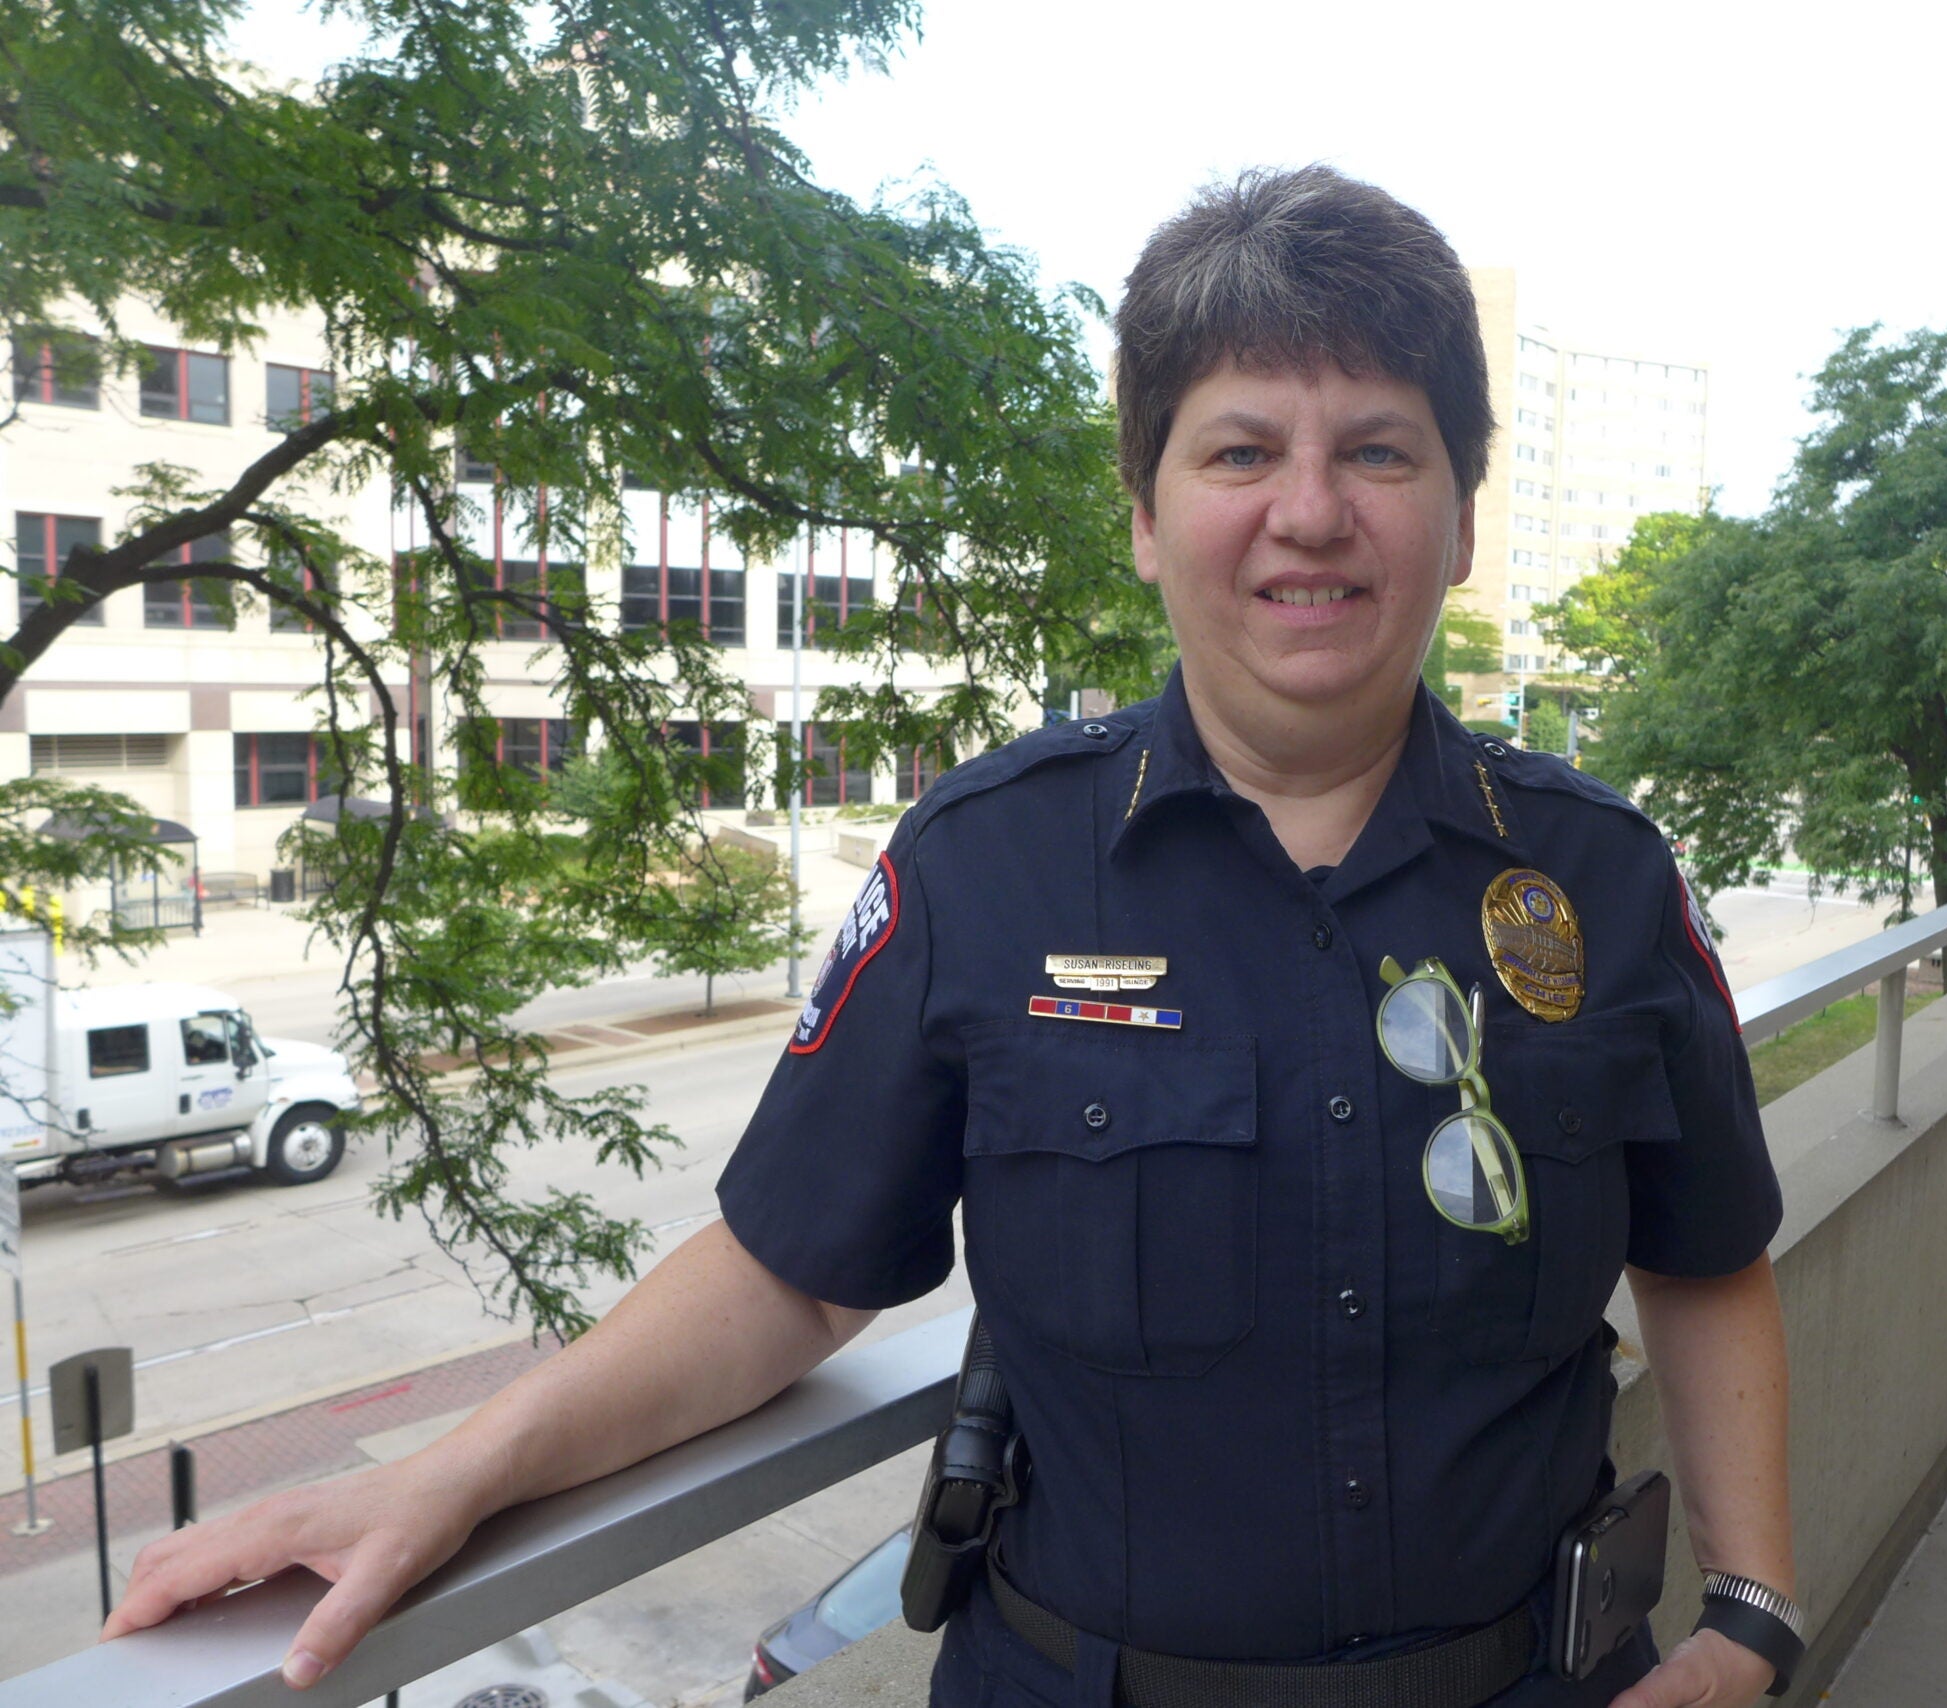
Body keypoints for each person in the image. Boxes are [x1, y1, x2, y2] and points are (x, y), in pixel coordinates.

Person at [103, 165, 1796, 1708]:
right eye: (1238, 451)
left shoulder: (1601, 876)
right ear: (1147, 517)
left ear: (1460, 517)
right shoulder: (989, 865)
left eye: (1377, 450)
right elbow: (787, 1273)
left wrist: (1753, 1612)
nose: (1309, 510)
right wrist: (452, 1473)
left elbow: (1706, 1253)